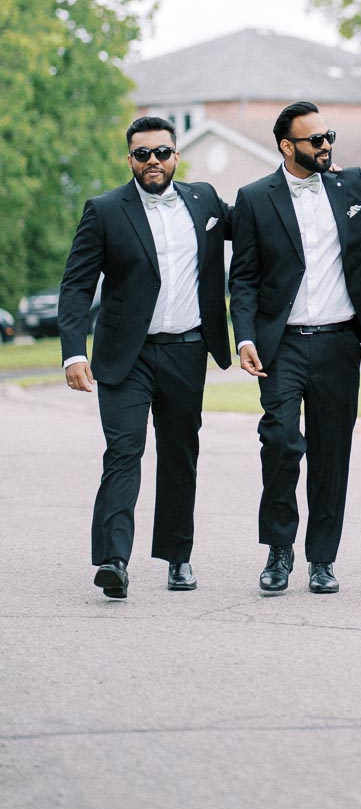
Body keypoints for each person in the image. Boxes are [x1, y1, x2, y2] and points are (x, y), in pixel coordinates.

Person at [58, 116, 232, 599]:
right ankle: (114, 560)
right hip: (124, 357)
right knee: (124, 451)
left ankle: (178, 558)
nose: (152, 161)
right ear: (129, 158)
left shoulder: (206, 202)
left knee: (180, 456)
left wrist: (315, 174)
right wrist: (74, 352)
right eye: (142, 154)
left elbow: (260, 221)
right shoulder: (105, 210)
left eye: (161, 152)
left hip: (186, 350)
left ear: (176, 155)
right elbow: (76, 285)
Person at [229, 101, 361, 596]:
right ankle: (280, 550)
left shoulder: (355, 185)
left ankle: (323, 558)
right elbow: (244, 279)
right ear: (287, 146)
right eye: (315, 140)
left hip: (340, 341)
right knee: (279, 442)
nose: (326, 146)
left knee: (331, 453)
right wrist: (247, 336)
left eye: (329, 137)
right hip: (283, 346)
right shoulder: (255, 198)